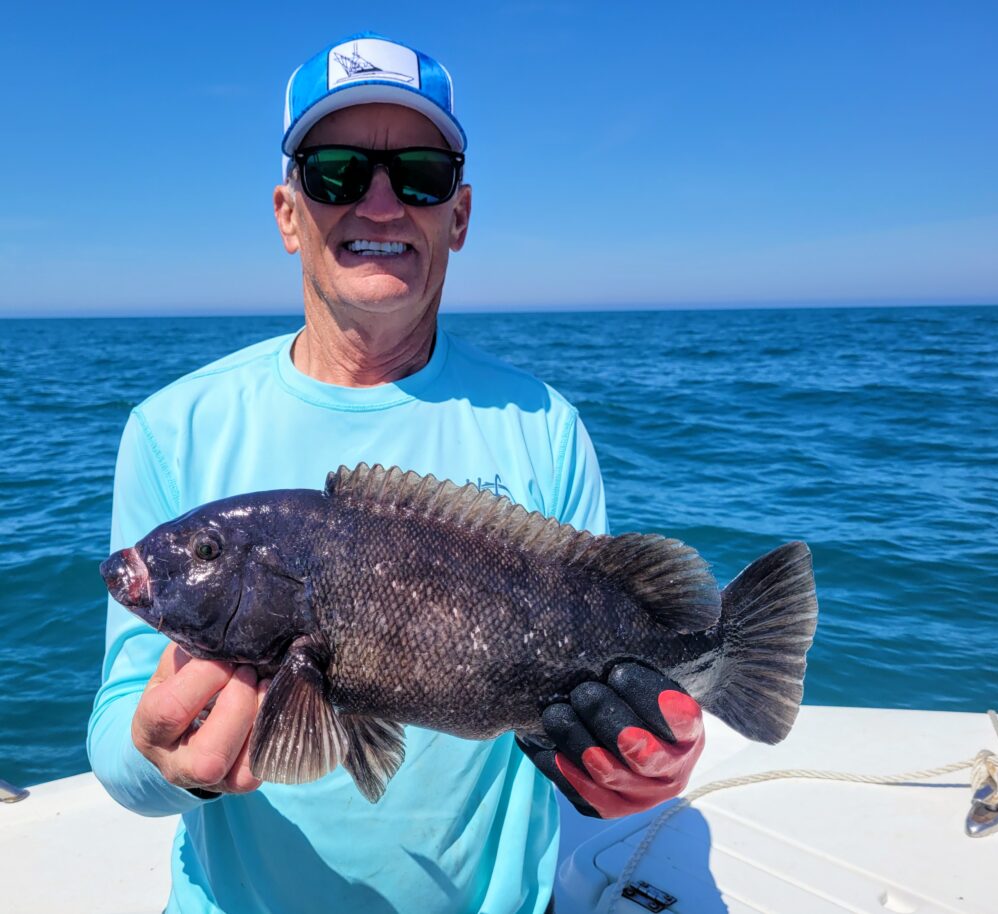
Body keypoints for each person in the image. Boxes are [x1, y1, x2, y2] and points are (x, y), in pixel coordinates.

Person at [88, 32, 705, 914]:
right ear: (288, 213)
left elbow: (586, 721)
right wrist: (167, 761)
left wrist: (634, 769)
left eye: (419, 174)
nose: (378, 204)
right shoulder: (172, 428)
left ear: (458, 215)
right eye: (337, 172)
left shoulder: (545, 427)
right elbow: (119, 739)